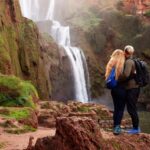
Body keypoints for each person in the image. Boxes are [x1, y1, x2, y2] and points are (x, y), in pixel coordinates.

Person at [120, 45, 141, 134]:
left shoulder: (129, 62)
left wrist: (118, 79)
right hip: (136, 87)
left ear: (125, 52)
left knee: (131, 109)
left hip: (131, 88)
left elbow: (126, 75)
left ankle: (136, 129)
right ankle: (136, 127)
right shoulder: (134, 60)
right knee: (133, 108)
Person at [105, 49, 126, 135]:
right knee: (120, 109)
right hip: (121, 90)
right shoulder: (121, 65)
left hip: (113, 90)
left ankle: (115, 126)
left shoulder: (110, 64)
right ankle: (117, 128)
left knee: (116, 108)